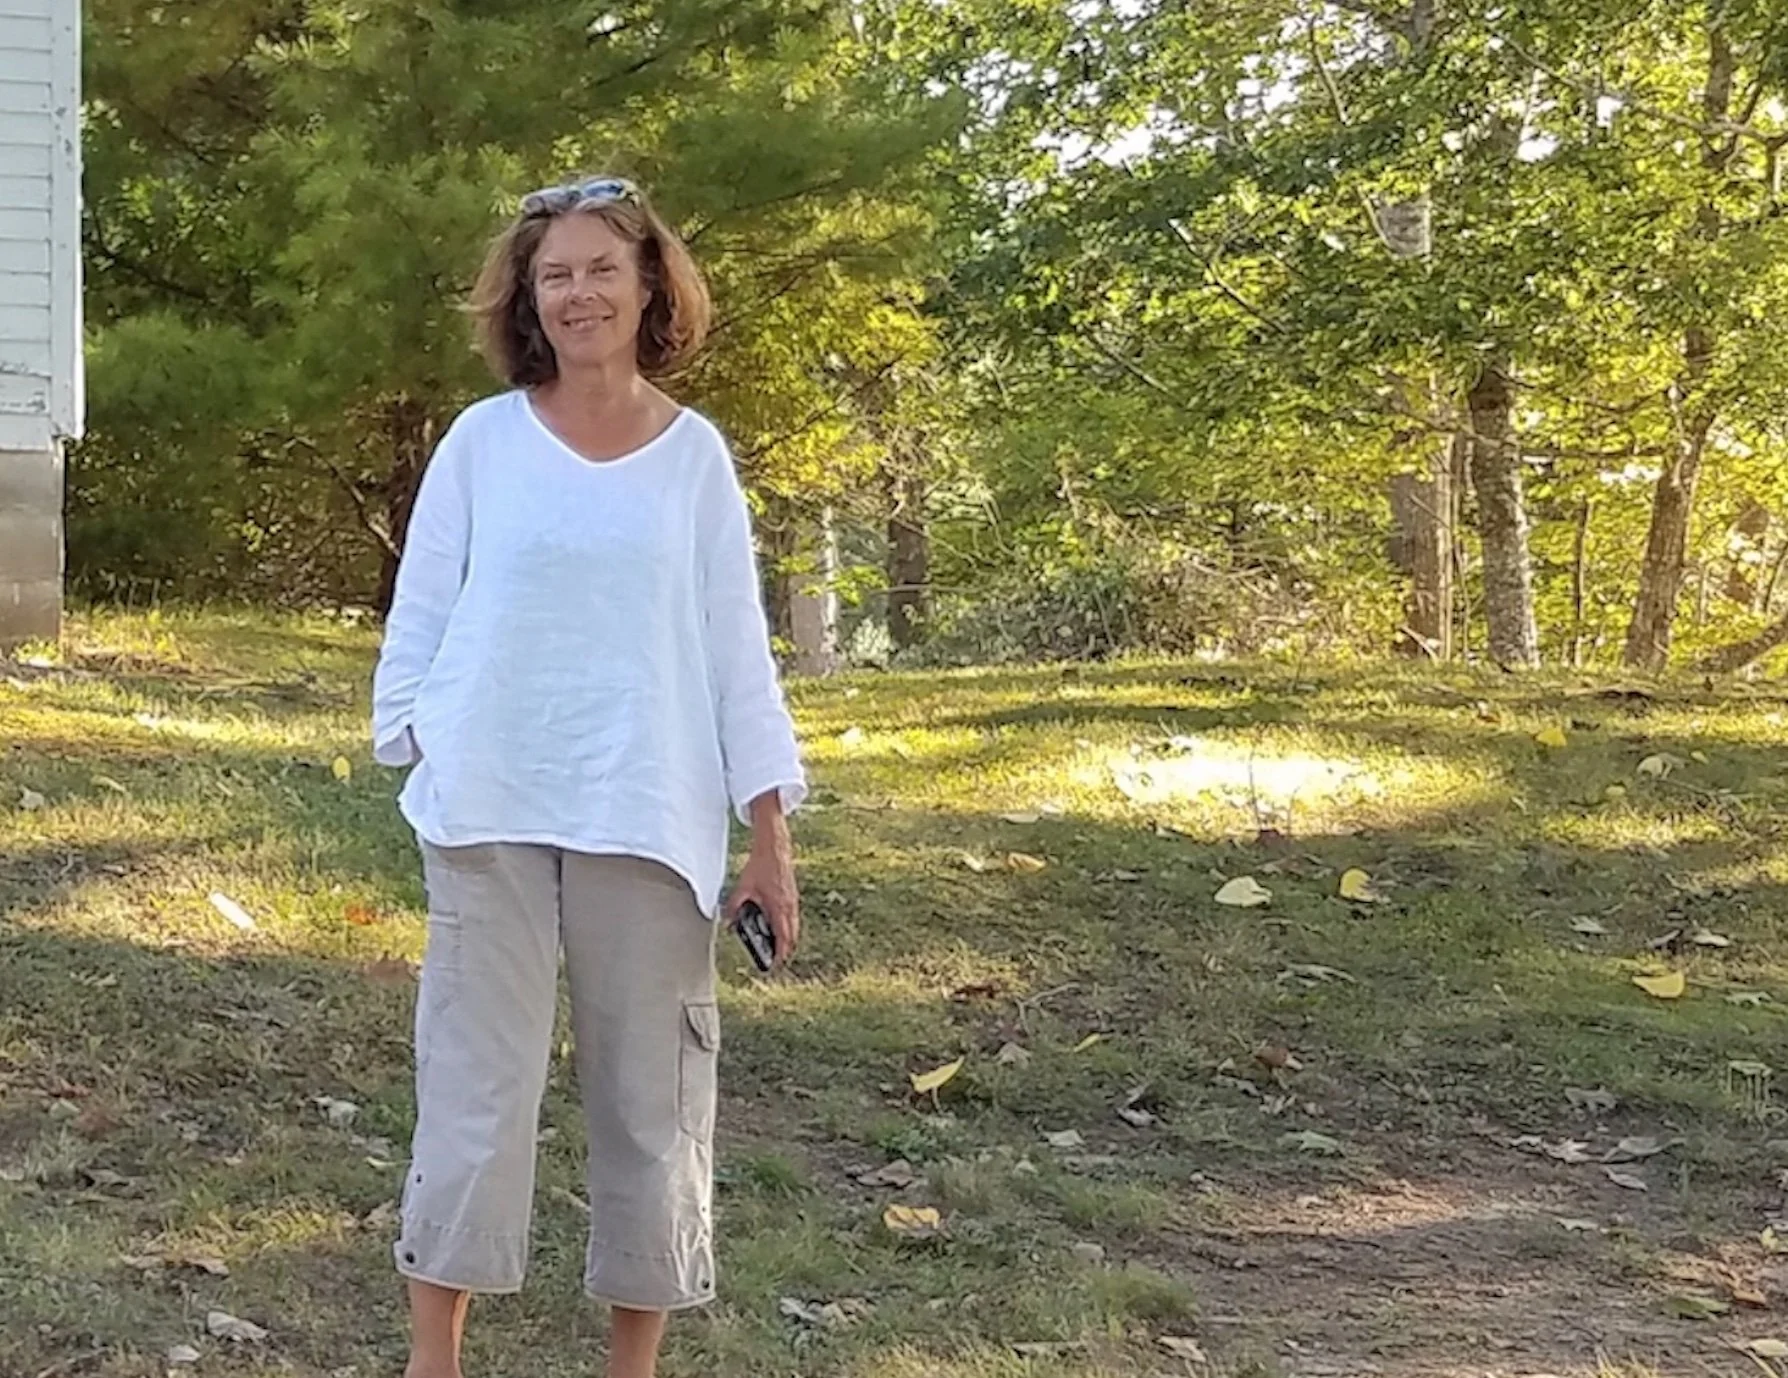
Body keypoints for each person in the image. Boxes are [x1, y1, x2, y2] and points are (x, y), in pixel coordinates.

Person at [370, 175, 807, 1378]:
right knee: (476, 1094)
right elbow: (422, 607)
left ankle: (633, 1364)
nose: (579, 294)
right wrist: (414, 733)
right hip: (488, 808)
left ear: (650, 284)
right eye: (554, 275)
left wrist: (768, 833)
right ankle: (433, 1361)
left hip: (650, 812)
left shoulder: (695, 459)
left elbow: (736, 649)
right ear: (528, 299)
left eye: (602, 269)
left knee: (650, 1104)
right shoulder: (482, 441)